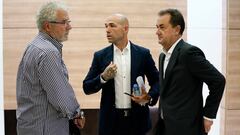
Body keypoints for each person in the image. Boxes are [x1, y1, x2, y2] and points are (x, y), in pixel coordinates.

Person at [83, 14, 159, 135]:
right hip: (111, 123)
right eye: (106, 26)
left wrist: (148, 96)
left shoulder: (143, 54)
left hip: (138, 122)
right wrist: (103, 77)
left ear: (125, 28)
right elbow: (87, 87)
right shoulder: (100, 56)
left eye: (112, 26)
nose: (107, 30)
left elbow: (157, 81)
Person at [16, 2, 85, 135]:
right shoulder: (48, 52)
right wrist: (77, 113)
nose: (69, 27)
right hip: (46, 128)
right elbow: (61, 97)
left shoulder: (33, 47)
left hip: (31, 127)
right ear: (48, 26)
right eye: (64, 22)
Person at [155, 9, 226, 135]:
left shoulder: (189, 53)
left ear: (177, 29)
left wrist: (208, 116)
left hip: (187, 127)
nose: (157, 32)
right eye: (156, 27)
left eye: (162, 27)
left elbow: (218, 80)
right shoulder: (162, 56)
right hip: (165, 125)